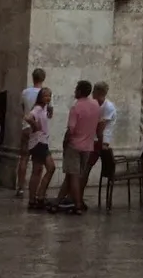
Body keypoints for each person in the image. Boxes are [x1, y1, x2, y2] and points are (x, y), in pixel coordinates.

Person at [57, 80, 100, 214]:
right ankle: (59, 200)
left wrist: (65, 143)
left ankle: (77, 204)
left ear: (80, 91)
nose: (74, 91)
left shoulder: (76, 107)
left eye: (76, 89)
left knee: (73, 175)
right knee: (73, 175)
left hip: (74, 145)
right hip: (88, 146)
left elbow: (71, 129)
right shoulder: (95, 105)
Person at [15, 67, 47, 198]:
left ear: (33, 78)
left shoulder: (25, 92)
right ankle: (35, 188)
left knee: (23, 158)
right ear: (43, 79)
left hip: (26, 127)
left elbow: (23, 109)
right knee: (38, 161)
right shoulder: (45, 93)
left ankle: (20, 187)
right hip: (38, 131)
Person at [24, 87, 55, 208]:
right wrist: (35, 125)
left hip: (42, 142)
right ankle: (38, 196)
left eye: (49, 96)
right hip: (38, 142)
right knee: (48, 168)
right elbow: (28, 117)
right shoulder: (37, 108)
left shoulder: (44, 108)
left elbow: (48, 117)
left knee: (38, 171)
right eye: (45, 95)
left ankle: (35, 198)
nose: (47, 98)